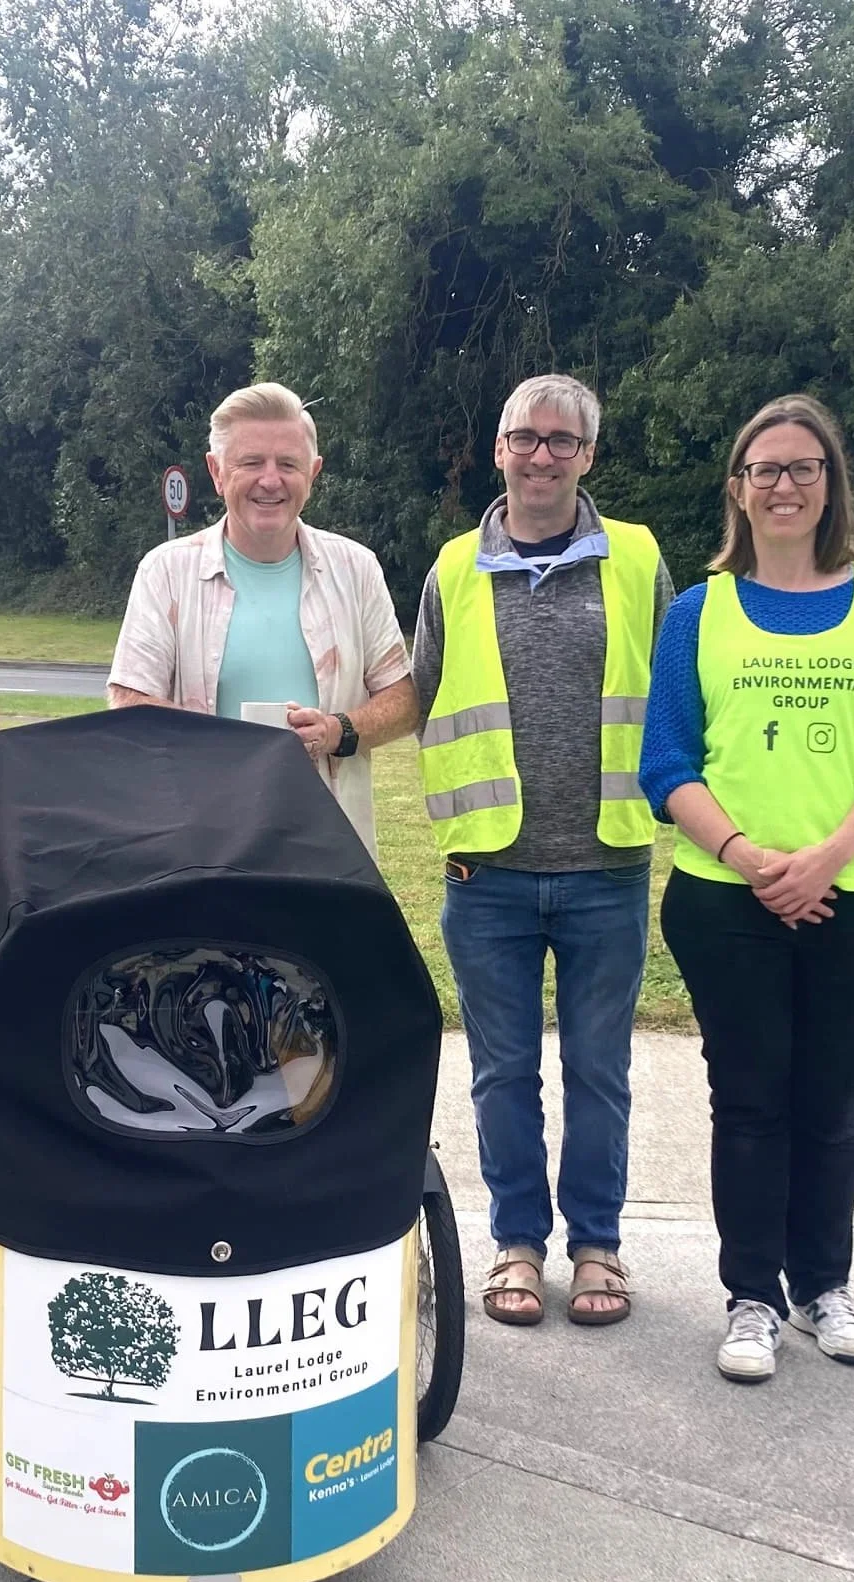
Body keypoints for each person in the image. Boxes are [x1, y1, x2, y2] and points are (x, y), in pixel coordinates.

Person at [639, 393, 854, 1384]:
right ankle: (749, 1299)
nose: (780, 484)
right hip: (726, 899)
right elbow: (666, 760)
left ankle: (821, 1286)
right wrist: (751, 859)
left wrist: (819, 861)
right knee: (750, 1099)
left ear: (827, 485)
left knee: (834, 1099)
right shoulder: (698, 611)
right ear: (736, 488)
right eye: (762, 468)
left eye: (800, 467)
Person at [413, 373, 673, 1329]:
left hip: (607, 865)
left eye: (563, 441)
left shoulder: (640, 560)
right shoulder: (452, 567)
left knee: (600, 1070)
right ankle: (517, 1243)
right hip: (490, 872)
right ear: (499, 449)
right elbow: (417, 688)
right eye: (525, 437)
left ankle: (597, 1244)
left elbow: (679, 693)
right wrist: (342, 728)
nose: (542, 455)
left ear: (588, 455)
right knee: (500, 1072)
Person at [106, 381, 417, 856]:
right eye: (251, 463)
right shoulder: (166, 572)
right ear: (216, 471)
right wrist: (229, 744)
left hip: (331, 850)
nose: (270, 480)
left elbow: (403, 699)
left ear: (312, 473)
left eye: (287, 464)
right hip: (200, 847)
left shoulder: (356, 569)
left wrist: (337, 731)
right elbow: (127, 701)